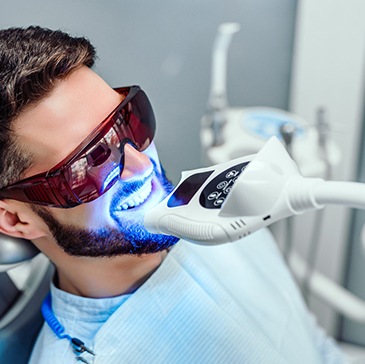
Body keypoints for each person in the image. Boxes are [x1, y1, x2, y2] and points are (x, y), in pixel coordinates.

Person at [0, 26, 347, 364]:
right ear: (16, 219)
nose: (142, 165)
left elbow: (310, 342)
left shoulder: (226, 208)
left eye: (129, 121)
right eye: (90, 161)